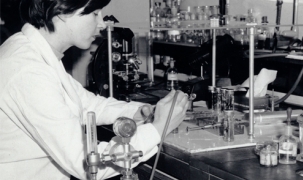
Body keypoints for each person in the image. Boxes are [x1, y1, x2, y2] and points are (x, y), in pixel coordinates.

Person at [0, 0, 189, 179]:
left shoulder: (34, 52)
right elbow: (88, 164)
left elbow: (86, 104)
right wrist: (158, 129)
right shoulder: (28, 70)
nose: (101, 24)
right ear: (62, 11)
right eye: (95, 13)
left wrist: (140, 113)